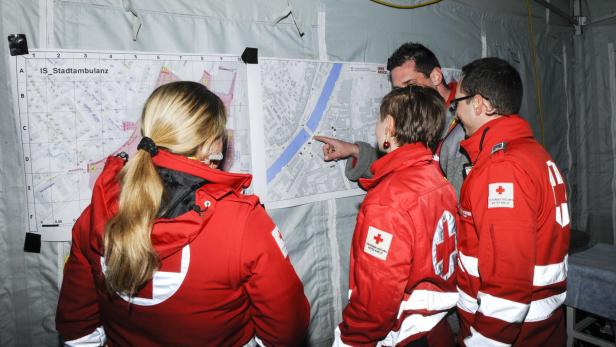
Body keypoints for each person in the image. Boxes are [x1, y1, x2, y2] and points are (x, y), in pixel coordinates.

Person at [56, 81, 310, 346]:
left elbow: (77, 328)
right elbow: (286, 330)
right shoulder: (242, 221)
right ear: (210, 144)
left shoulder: (98, 212)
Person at [453, 57, 570, 346]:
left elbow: (507, 288)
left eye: (458, 102)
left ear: (479, 104)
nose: (455, 113)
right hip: (539, 329)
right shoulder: (530, 152)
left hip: (511, 337)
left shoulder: (501, 168)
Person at [333, 85, 459, 346]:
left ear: (389, 126)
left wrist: (350, 340)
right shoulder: (437, 179)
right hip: (438, 327)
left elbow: (375, 301)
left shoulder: (387, 201)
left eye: (379, 121)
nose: (377, 128)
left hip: (406, 336)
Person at [315, 42, 468, 196]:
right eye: (398, 90)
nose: (405, 96)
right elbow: (403, 162)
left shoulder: (467, 124)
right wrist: (354, 151)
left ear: (435, 76)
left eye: (410, 85)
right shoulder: (417, 116)